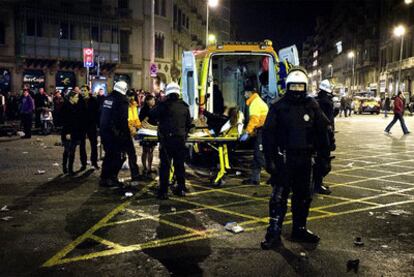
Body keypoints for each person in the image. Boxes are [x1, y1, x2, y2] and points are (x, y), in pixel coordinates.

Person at [261, 67, 331, 249]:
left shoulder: (312, 105)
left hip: (306, 159)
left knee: (303, 196)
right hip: (284, 159)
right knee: (278, 197)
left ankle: (299, 228)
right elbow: (268, 135)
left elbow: (323, 131)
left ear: (306, 87)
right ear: (288, 86)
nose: (297, 90)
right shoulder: (278, 106)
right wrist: (269, 161)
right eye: (294, 86)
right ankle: (273, 232)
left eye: (301, 87)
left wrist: (324, 159)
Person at [150, 82, 192, 199]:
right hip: (180, 139)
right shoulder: (184, 106)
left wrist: (160, 101)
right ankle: (181, 189)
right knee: (179, 165)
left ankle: (163, 192)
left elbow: (152, 114)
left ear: (167, 93)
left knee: (165, 166)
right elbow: (189, 124)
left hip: (166, 140)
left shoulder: (163, 104)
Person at [99, 81, 130, 187]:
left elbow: (101, 114)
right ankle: (112, 178)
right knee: (119, 157)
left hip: (104, 132)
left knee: (108, 155)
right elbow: (123, 120)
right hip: (116, 134)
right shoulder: (122, 100)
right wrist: (125, 135)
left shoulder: (107, 98)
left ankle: (104, 178)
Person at [240, 78, 269, 185]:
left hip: (263, 131)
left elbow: (254, 120)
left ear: (249, 93)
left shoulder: (255, 103)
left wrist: (247, 132)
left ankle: (277, 175)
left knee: (260, 156)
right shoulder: (257, 101)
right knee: (257, 156)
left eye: (245, 93)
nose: (244, 95)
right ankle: (255, 179)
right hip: (262, 131)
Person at [314, 80, 336, 195]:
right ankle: (318, 185)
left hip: (315, 137)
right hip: (324, 137)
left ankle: (316, 184)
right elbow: (329, 124)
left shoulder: (315, 100)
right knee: (323, 162)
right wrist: (332, 140)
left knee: (318, 161)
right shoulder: (326, 103)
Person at [60, 90, 87, 175]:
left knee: (72, 151)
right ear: (71, 98)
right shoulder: (66, 106)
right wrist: (67, 133)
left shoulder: (75, 106)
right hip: (68, 132)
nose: (77, 98)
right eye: (76, 97)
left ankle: (70, 169)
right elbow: (65, 120)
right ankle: (65, 167)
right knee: (67, 150)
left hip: (75, 132)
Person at [123, 89, 142, 184]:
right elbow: (126, 120)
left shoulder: (133, 105)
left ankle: (135, 175)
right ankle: (110, 176)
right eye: (130, 96)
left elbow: (135, 118)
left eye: (133, 96)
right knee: (120, 156)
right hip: (123, 132)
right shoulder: (123, 105)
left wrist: (139, 127)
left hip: (130, 132)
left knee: (132, 155)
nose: (131, 98)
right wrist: (132, 128)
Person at [81, 85, 100, 169]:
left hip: (92, 125)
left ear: (89, 91)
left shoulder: (94, 100)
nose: (83, 92)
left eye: (84, 90)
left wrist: (98, 125)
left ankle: (94, 162)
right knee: (82, 145)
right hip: (82, 125)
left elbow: (97, 113)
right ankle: (83, 163)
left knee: (94, 145)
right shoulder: (79, 100)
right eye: (82, 90)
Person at [139, 94, 158, 176]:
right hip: (145, 132)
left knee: (151, 151)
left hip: (154, 132)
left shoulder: (156, 108)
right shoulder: (144, 110)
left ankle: (149, 167)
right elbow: (142, 121)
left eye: (154, 100)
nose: (153, 101)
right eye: (152, 100)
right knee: (145, 150)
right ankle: (144, 167)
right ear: (147, 101)